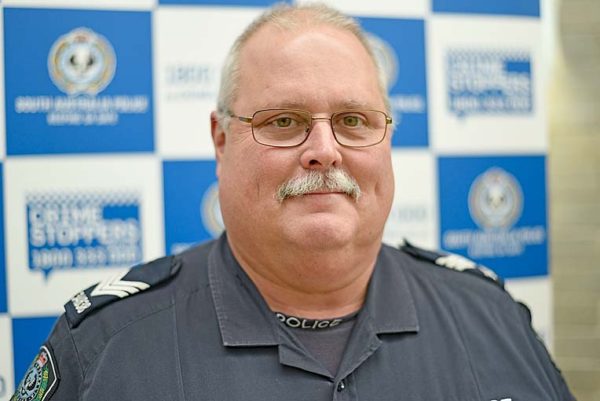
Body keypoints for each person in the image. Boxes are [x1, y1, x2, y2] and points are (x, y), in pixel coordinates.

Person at [12, 3, 575, 401]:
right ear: (221, 140)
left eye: (353, 120)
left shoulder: (492, 318)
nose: (324, 151)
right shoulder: (107, 348)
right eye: (284, 121)